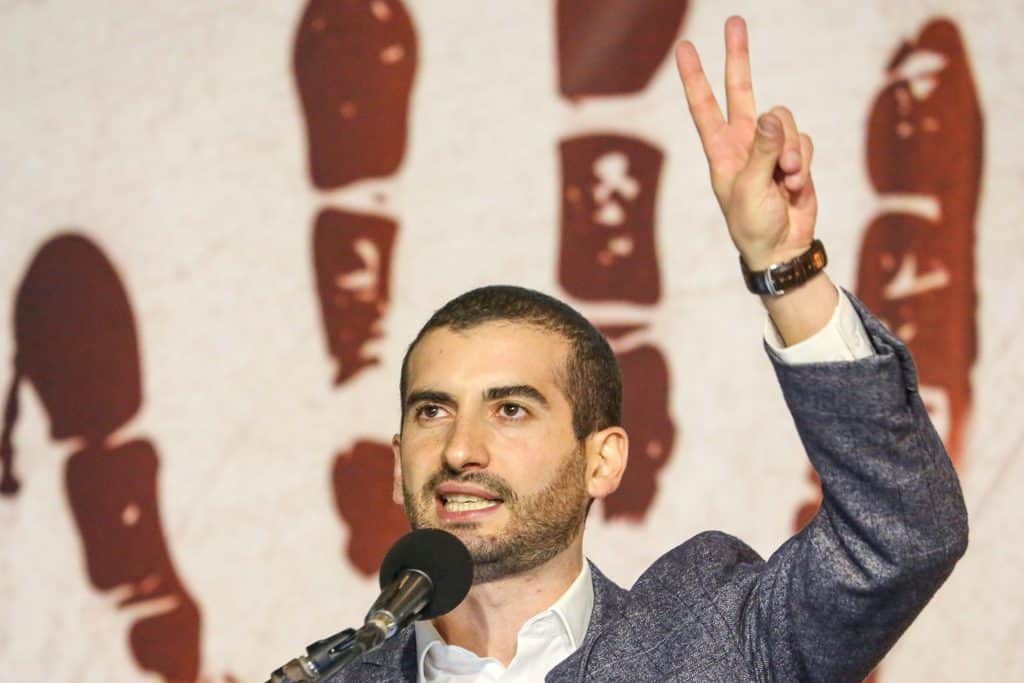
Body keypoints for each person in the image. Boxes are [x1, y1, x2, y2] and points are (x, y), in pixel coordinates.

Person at [327, 16, 967, 683]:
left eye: (510, 409)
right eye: (432, 412)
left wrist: (785, 267)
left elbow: (902, 535)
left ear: (602, 460)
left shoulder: (714, 646)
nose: (460, 450)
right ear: (397, 462)